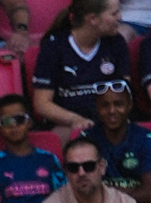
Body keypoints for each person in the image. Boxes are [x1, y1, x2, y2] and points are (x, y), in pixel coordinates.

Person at [31, 0, 131, 142]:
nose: (120, 17)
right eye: (114, 13)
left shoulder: (116, 42)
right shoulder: (54, 45)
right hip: (68, 124)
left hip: (109, 119)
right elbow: (42, 104)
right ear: (93, 19)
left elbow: (125, 92)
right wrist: (76, 120)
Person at [0, 95, 66, 203]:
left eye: (19, 119)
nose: (13, 125)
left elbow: (64, 198)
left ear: (30, 122)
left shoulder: (49, 159)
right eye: (6, 121)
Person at [83, 84, 151, 203]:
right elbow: (84, 190)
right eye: (105, 105)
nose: (111, 111)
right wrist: (133, 192)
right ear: (97, 107)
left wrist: (106, 193)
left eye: (118, 104)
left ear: (129, 105)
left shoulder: (144, 137)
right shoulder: (86, 139)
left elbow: (150, 192)